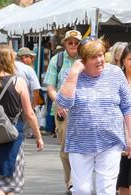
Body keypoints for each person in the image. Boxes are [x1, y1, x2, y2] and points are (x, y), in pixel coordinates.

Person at [56, 37, 131, 195]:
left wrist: (130, 136)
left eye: (101, 55)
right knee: (82, 190)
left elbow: (127, 106)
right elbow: (63, 104)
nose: (99, 61)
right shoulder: (72, 74)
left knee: (106, 189)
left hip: (111, 141)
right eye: (93, 57)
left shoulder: (115, 73)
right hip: (79, 142)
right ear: (83, 60)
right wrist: (74, 73)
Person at [0, 44, 44, 195]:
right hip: (13, 134)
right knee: (12, 184)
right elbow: (29, 113)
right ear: (10, 59)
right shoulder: (17, 82)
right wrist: (38, 136)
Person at [44, 30, 82, 193]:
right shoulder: (56, 60)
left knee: (81, 147)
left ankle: (80, 180)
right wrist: (60, 102)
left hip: (82, 110)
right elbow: (50, 86)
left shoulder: (85, 59)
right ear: (65, 43)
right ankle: (70, 181)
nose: (73, 45)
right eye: (70, 42)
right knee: (66, 148)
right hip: (63, 111)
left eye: (76, 42)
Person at [117, 43, 131, 195]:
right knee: (123, 186)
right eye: (130, 59)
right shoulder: (117, 81)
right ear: (123, 61)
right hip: (119, 139)